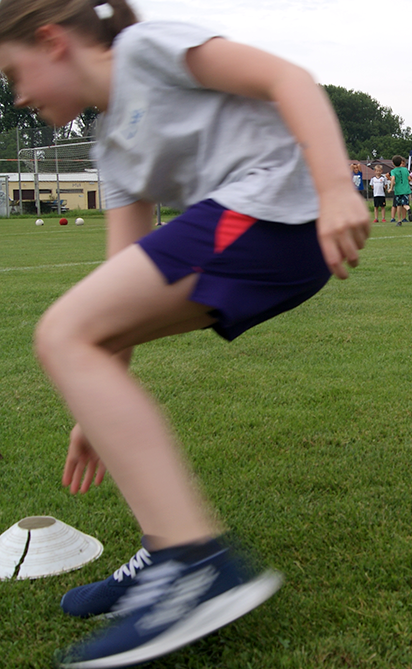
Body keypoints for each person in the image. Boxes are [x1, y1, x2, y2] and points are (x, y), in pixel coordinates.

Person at [0, 0, 371, 666]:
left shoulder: (146, 49)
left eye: (13, 72)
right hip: (260, 233)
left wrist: (337, 186)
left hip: (277, 216)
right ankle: (167, 549)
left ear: (52, 41)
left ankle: (194, 562)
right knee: (73, 332)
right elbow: (118, 284)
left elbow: (290, 80)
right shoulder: (112, 144)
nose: (19, 95)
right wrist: (96, 398)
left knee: (59, 329)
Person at [389, 155, 411, 225]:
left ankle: (399, 220)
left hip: (398, 191)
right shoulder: (405, 169)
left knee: (398, 205)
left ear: (393, 163)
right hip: (406, 190)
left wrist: (391, 188)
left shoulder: (393, 171)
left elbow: (393, 178)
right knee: (405, 204)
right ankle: (408, 209)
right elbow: (409, 178)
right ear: (401, 162)